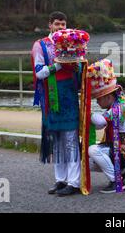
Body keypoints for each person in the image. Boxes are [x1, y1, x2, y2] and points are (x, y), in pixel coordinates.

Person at [31, 11, 86, 196]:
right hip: (52, 96)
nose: (60, 28)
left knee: (71, 139)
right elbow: (39, 73)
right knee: (57, 141)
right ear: (50, 25)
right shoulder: (40, 46)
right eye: (57, 24)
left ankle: (74, 182)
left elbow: (79, 70)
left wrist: (79, 66)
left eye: (63, 24)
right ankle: (60, 180)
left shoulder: (73, 45)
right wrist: (58, 66)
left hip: (69, 96)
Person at [87, 59, 125, 194]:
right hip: (118, 148)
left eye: (98, 98)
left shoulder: (120, 106)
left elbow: (100, 122)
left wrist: (87, 114)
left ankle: (116, 180)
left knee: (93, 150)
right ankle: (122, 174)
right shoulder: (118, 103)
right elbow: (101, 125)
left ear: (108, 96)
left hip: (124, 151)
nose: (98, 102)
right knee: (87, 161)